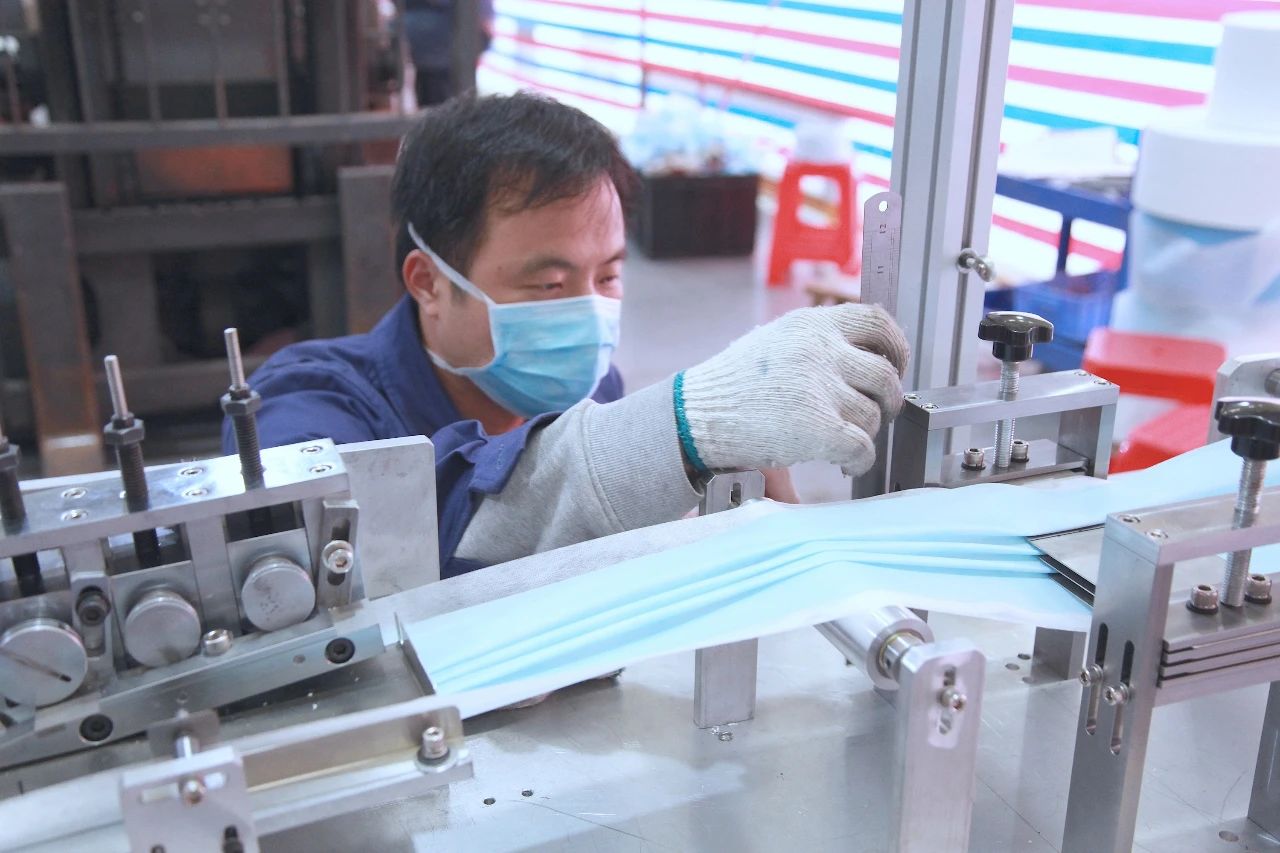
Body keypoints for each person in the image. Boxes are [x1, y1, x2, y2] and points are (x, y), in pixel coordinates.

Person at [226, 93, 909, 578]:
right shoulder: (304, 403)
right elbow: (373, 539)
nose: (587, 313)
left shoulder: (592, 385)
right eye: (550, 285)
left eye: (607, 275)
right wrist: (688, 427)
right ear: (428, 281)